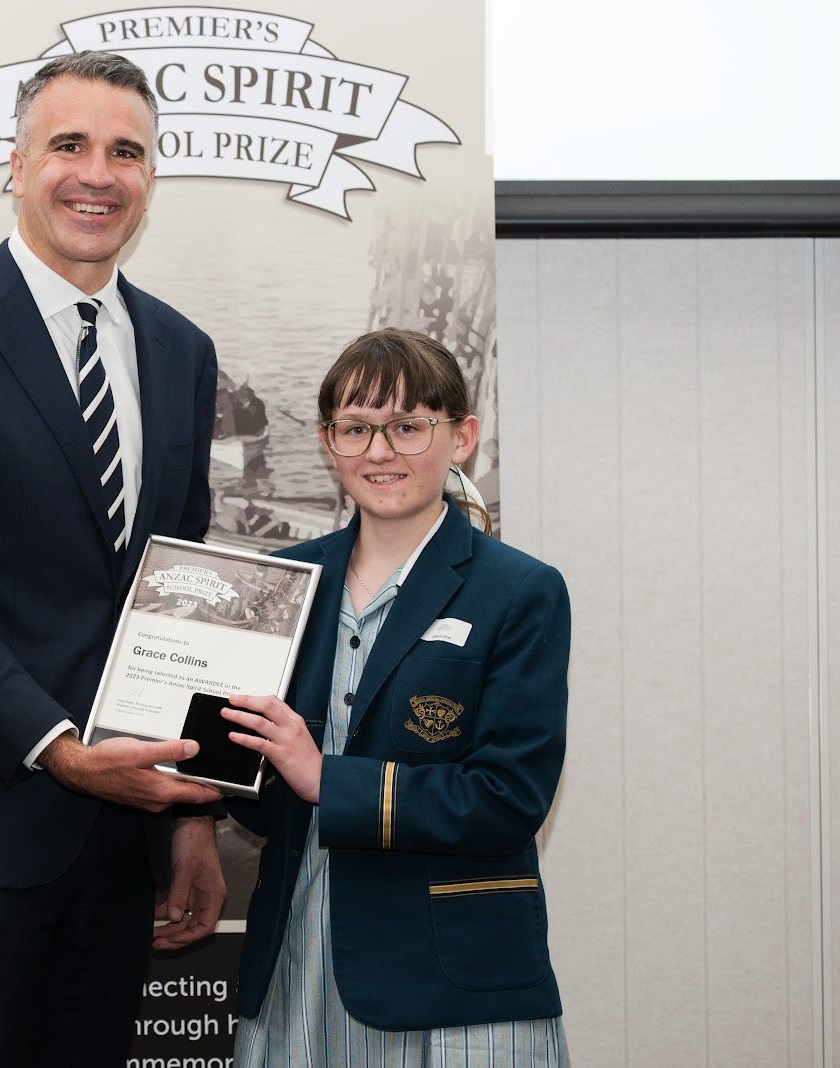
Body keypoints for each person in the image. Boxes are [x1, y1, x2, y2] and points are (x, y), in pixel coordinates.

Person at [0, 51, 226, 1068]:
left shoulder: (182, 352)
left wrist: (191, 817)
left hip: (121, 843)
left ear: (151, 179)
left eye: (126, 152)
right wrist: (58, 747)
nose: (96, 174)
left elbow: (176, 600)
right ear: (15, 165)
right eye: (68, 145)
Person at [221, 328, 571, 1065]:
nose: (380, 453)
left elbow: (509, 797)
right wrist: (198, 750)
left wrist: (327, 778)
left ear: (462, 437)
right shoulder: (281, 583)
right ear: (328, 442)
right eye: (356, 429)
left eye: (408, 426)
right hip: (298, 960)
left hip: (450, 979)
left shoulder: (519, 590)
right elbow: (256, 792)